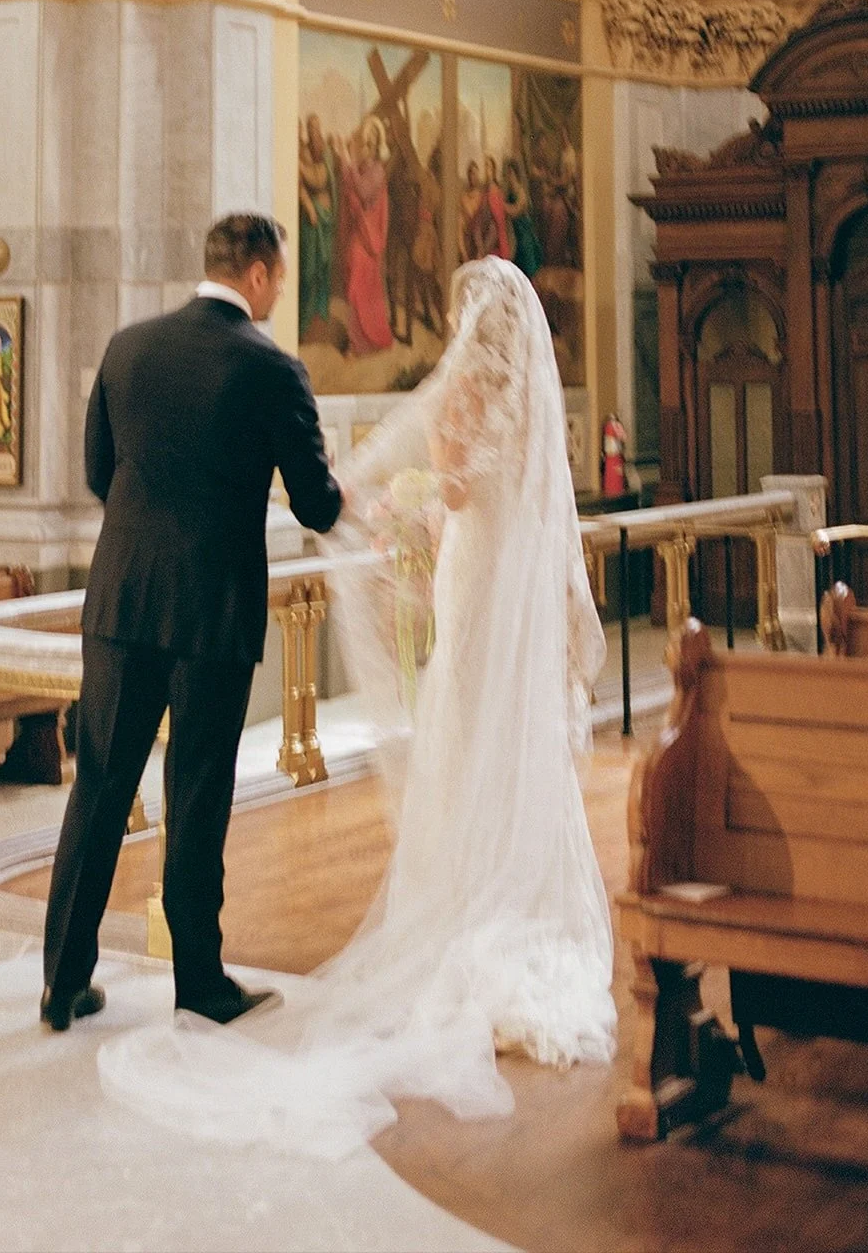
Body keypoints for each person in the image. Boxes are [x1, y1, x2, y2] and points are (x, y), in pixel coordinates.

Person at [96, 255, 615, 1158]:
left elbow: (453, 485)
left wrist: (402, 506)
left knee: (458, 745)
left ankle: (66, 978)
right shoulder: (533, 400)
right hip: (500, 586)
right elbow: (500, 492)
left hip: (456, 577)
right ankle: (520, 912)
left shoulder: (134, 347)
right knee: (503, 746)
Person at [41, 212, 343, 1032]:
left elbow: (100, 472)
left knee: (99, 787)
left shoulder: (127, 347)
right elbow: (315, 501)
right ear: (256, 273)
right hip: (211, 608)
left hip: (121, 598)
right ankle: (200, 983)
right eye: (277, 276)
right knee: (198, 795)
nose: (278, 289)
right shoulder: (271, 369)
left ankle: (62, 980)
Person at [333, 116, 394, 356]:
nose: (366, 149)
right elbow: (349, 186)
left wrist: (346, 161)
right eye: (364, 143)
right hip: (360, 232)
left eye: (371, 144)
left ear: (377, 147)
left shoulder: (377, 171)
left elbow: (362, 191)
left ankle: (359, 343)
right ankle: (359, 340)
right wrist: (344, 158)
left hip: (370, 239)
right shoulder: (363, 168)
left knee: (359, 285)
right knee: (355, 283)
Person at [297, 114, 337, 339]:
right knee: (309, 268)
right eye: (310, 127)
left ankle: (320, 312)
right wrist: (309, 206)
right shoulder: (302, 152)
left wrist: (304, 169)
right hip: (311, 218)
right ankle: (305, 317)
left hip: (326, 215)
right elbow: (307, 183)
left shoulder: (326, 153)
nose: (313, 131)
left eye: (316, 127)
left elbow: (323, 180)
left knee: (323, 265)